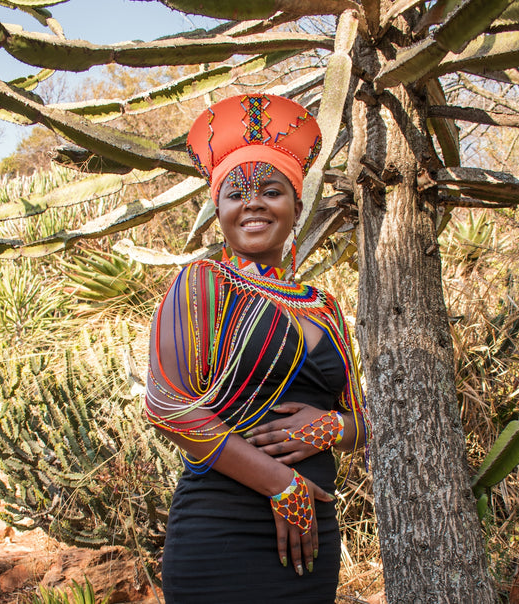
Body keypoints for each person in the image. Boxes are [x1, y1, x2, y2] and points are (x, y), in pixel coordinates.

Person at [145, 94, 370, 604]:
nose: (253, 203)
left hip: (311, 533)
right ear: (218, 208)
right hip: (221, 526)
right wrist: (279, 483)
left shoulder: (325, 304)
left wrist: (332, 426)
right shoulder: (204, 281)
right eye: (235, 193)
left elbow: (361, 420)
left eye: (271, 191)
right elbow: (168, 407)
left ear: (296, 205)